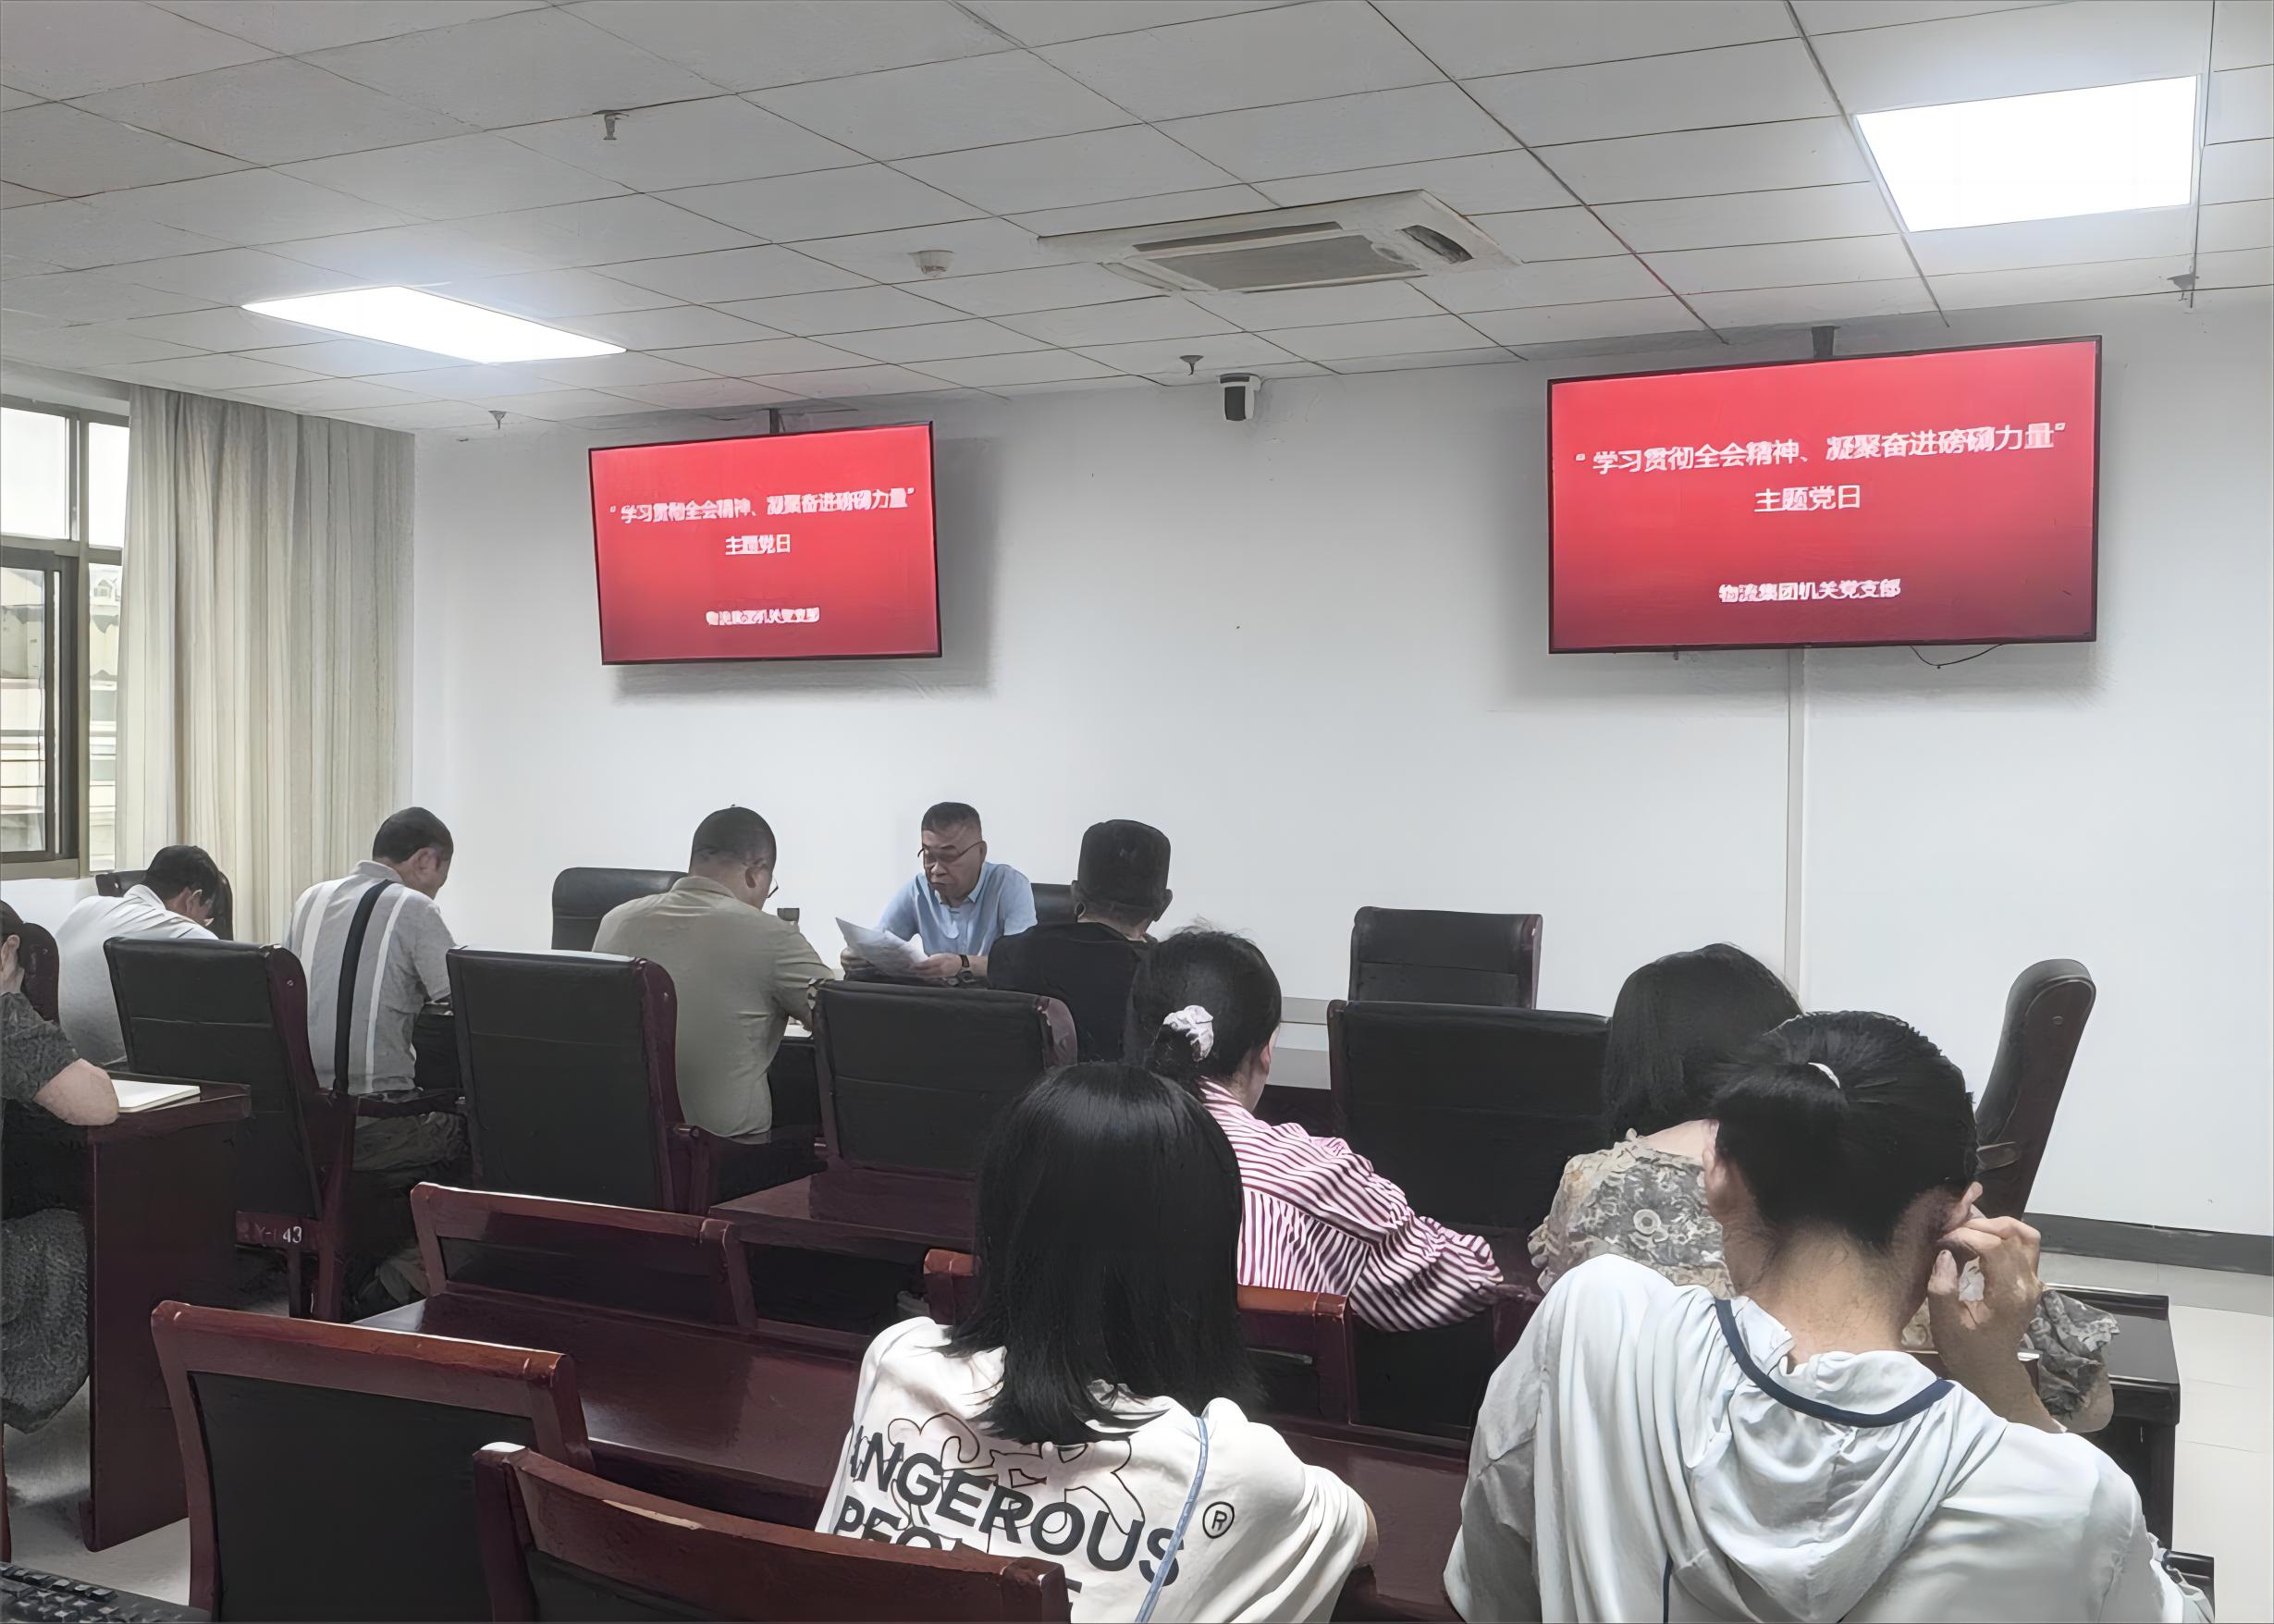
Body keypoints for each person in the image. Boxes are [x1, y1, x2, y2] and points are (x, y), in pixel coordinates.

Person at [1446, 1013, 2209, 1624]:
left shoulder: (1595, 1322)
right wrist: (2006, 1393)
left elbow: (1493, 1582)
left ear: (1718, 1180)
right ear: (1956, 1214)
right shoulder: (2061, 1497)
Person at [820, 1064, 1375, 1621]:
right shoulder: (1229, 1466)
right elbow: (1362, 1532)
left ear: (999, 1218)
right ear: (1203, 1257)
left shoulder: (899, 1356)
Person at [1530, 944, 2115, 1430]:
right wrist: (2001, 1381)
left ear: (1721, 1184)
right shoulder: (1906, 1198)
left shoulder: (1596, 1195)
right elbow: (2089, 1410)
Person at [1130, 930, 1504, 1332]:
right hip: (1245, 1376)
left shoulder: (1082, 1145)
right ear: (1265, 1052)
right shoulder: (1310, 1179)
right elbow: (1471, 1280)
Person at [593, 806, 833, 1138]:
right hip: (722, 1151)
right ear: (756, 874)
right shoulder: (773, 936)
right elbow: (841, 1021)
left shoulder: (614, 920)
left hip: (620, 1140)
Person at [283, 807, 462, 1177]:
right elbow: (461, 1000)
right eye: (441, 878)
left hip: (301, 1123)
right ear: (425, 860)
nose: (436, 889)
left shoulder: (310, 899)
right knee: (468, 1129)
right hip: (372, 1123)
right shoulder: (415, 906)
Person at [2, 901, 121, 1433]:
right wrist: (10, 998)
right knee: (88, 1237)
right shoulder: (7, 1024)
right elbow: (99, 1105)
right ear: (9, 951)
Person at [988, 818, 1171, 1060]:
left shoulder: (1009, 954)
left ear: (1074, 893)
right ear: (1162, 907)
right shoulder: (1167, 979)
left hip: (1031, 1086)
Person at [55, 843, 224, 1066]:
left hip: (63, 1064)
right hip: (131, 1072)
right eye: (206, 916)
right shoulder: (189, 934)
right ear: (192, 898)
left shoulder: (85, 908)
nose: (203, 923)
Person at [864, 802, 1034, 982]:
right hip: (939, 996)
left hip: (992, 995)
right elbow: (880, 942)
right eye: (929, 856)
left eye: (949, 857)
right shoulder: (919, 889)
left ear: (980, 853)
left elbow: (1022, 963)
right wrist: (861, 955)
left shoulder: (1008, 885)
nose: (936, 870)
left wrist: (962, 964)